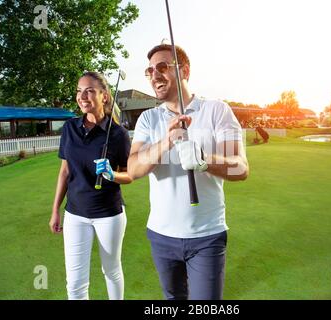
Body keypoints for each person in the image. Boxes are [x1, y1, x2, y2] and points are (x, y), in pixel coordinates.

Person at [127, 44, 249, 300]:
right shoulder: (148, 118)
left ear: (184, 71)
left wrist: (204, 160)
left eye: (162, 67)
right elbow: (133, 167)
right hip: (161, 235)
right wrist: (167, 141)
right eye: (149, 71)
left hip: (207, 236)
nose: (155, 75)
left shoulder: (217, 110)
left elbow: (240, 167)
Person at [49, 71, 132, 300]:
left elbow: (130, 175)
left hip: (109, 215)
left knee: (111, 270)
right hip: (75, 214)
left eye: (89, 91)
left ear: (104, 96)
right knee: (75, 282)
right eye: (79, 91)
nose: (82, 96)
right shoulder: (70, 128)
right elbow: (64, 172)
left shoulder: (118, 134)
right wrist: (55, 210)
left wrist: (112, 174)